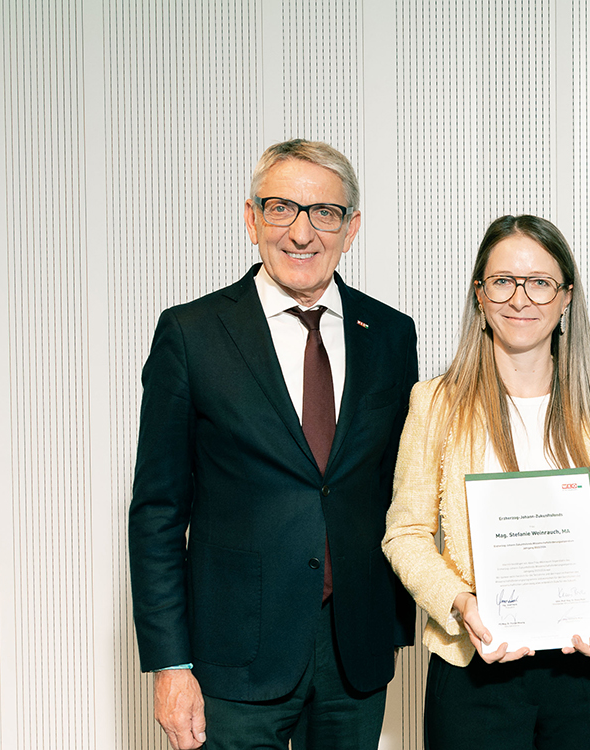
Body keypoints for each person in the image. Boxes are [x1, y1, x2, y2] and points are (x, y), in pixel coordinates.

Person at [129, 139, 418, 750]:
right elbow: (157, 513)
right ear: (251, 216)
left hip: (353, 654)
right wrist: (169, 664)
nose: (302, 232)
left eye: (325, 213)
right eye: (282, 208)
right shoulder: (192, 333)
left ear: (352, 227)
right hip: (231, 659)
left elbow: (406, 487)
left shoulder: (391, 335)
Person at [383, 214, 590, 750]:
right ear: (479, 296)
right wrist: (461, 604)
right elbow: (406, 533)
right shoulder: (437, 403)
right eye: (503, 281)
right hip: (473, 671)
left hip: (589, 669)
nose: (521, 299)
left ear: (566, 298)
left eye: (540, 283)